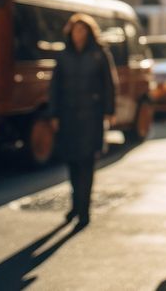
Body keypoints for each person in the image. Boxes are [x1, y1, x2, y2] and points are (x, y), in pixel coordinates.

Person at [47, 13, 116, 228]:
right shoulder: (63, 55)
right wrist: (54, 114)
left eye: (83, 30)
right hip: (68, 116)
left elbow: (109, 84)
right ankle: (75, 205)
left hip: (91, 116)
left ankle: (84, 210)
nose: (79, 34)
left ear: (89, 32)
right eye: (76, 30)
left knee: (87, 162)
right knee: (72, 163)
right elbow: (54, 88)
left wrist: (108, 111)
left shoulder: (99, 54)